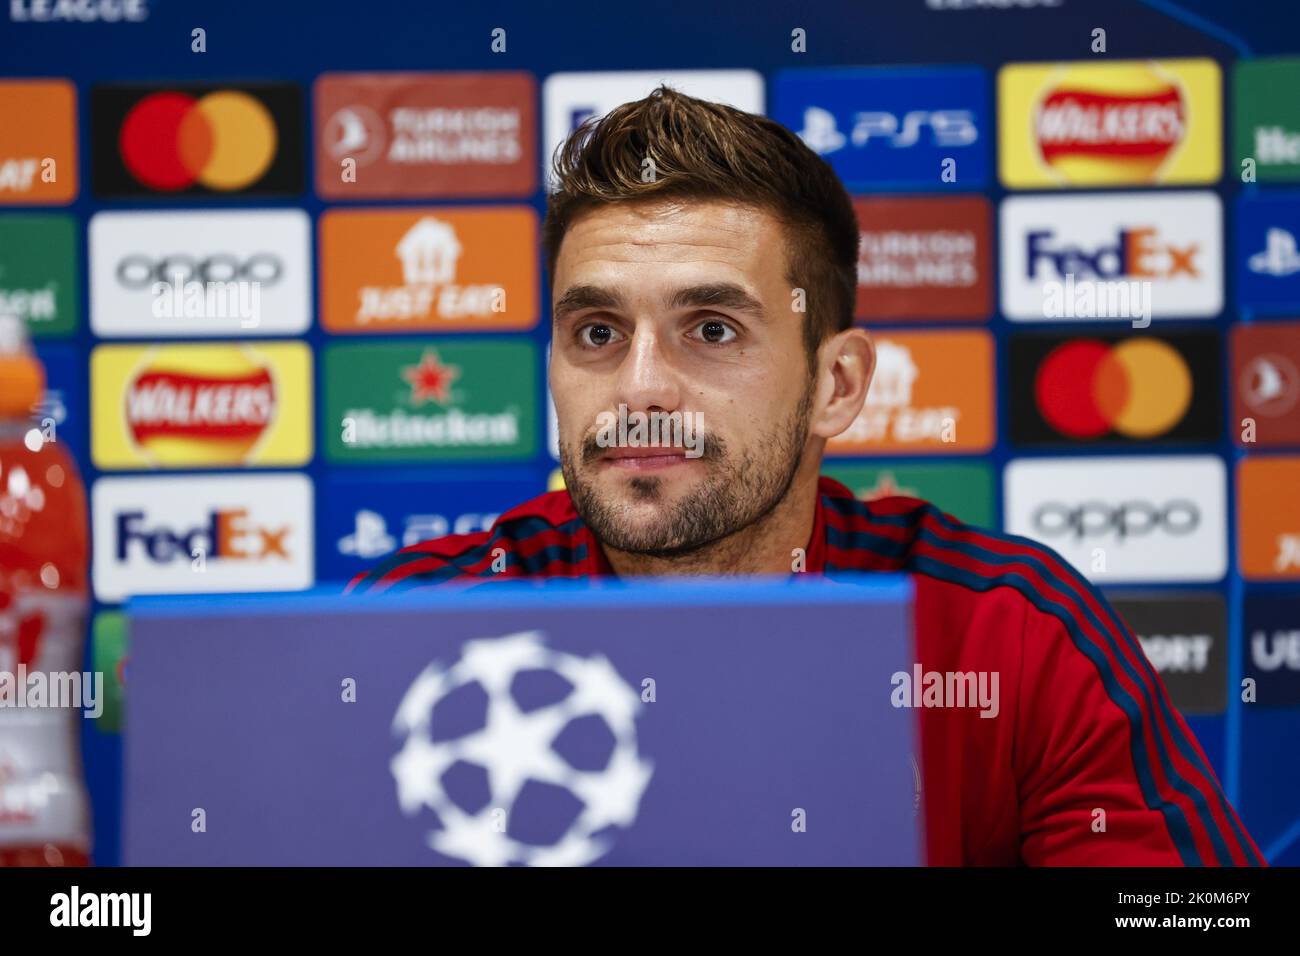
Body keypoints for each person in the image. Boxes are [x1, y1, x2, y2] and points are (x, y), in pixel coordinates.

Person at [348, 86, 1262, 866]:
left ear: (836, 384)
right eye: (597, 332)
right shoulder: (408, 628)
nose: (639, 388)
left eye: (711, 329)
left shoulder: (1003, 630)